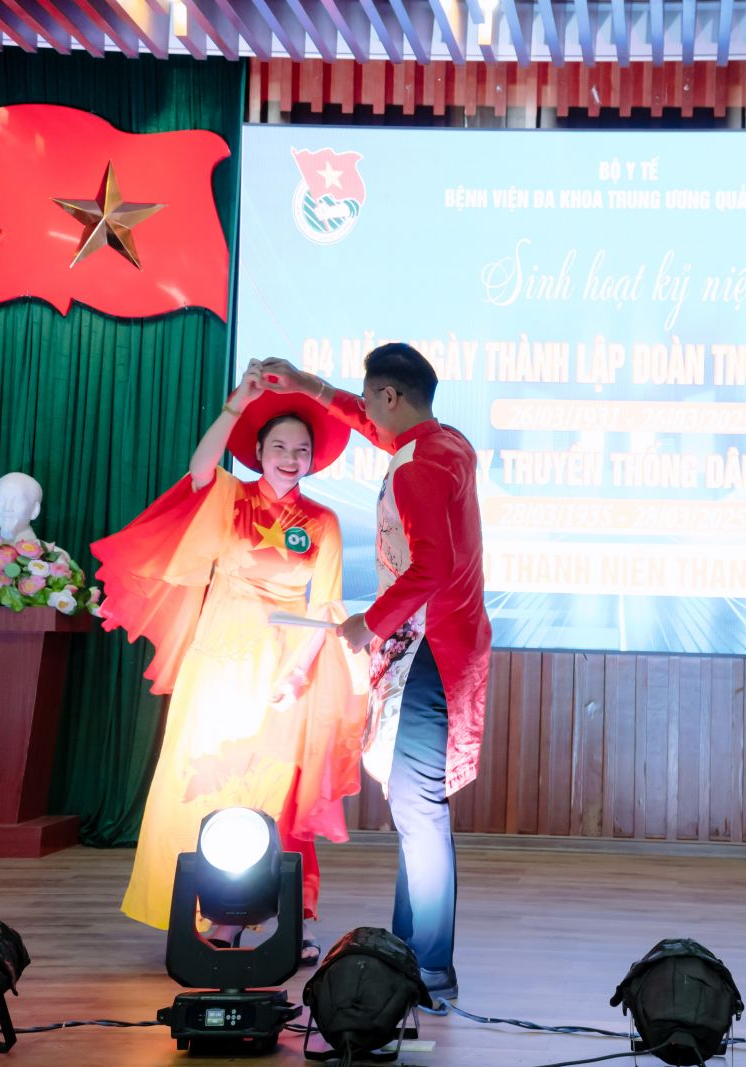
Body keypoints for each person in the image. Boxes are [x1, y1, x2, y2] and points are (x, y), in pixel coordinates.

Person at [90, 361, 368, 959]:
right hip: (217, 667)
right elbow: (198, 471)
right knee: (205, 785)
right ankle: (218, 912)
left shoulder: (323, 522)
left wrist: (296, 673)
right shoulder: (230, 498)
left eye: (301, 450)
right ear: (259, 451)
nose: (290, 458)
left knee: (275, 792)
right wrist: (235, 405)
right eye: (279, 447)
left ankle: (294, 913)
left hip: (282, 673)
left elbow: (324, 607)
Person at [260, 345, 491, 1007]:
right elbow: (371, 424)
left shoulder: (416, 466)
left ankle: (430, 966)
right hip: (444, 642)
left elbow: (431, 567)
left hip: (426, 646)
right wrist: (310, 385)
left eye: (369, 400)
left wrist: (370, 623)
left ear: (390, 396)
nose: (364, 413)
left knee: (418, 808)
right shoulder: (445, 443)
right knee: (416, 807)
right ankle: (411, 953)